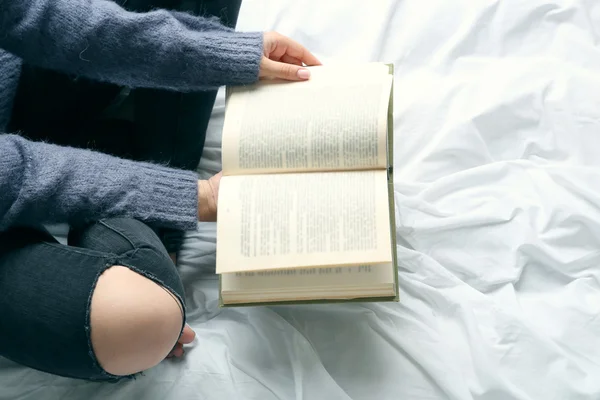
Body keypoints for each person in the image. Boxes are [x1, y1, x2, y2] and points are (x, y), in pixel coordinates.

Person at [0, 0, 320, 382]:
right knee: (143, 319)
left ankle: (121, 177)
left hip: (22, 108)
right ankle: (118, 173)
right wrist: (194, 197)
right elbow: (18, 173)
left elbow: (41, 16)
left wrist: (223, 53)